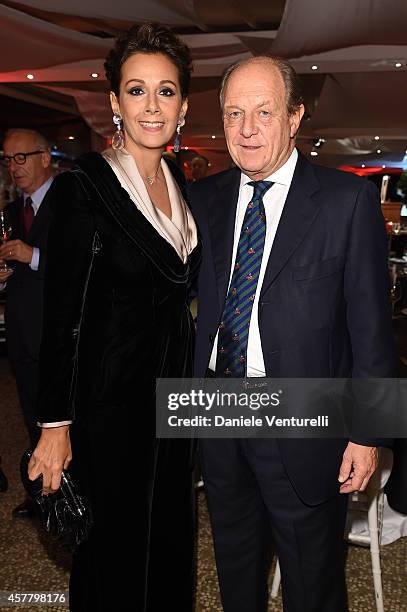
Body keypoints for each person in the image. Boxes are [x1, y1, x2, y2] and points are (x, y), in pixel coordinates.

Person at [190, 56, 394, 612]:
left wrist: (369, 432)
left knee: (312, 579)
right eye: (234, 113)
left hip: (305, 416)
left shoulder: (343, 201)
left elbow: (371, 329)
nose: (248, 128)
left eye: (264, 111)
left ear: (295, 116)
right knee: (234, 568)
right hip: (216, 409)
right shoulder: (202, 201)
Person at [27, 24, 200, 611]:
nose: (152, 106)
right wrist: (55, 425)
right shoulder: (86, 188)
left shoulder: (178, 182)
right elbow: (62, 315)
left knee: (170, 543)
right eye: (136, 90)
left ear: (183, 105)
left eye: (166, 91)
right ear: (114, 103)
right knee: (114, 556)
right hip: (110, 410)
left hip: (173, 406)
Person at [0, 129, 53, 518]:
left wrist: (32, 254)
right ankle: (41, 492)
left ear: (45, 158)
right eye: (8, 160)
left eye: (22, 158)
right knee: (32, 414)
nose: (14, 167)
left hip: (57, 334)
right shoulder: (13, 211)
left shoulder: (71, 204)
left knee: (64, 418)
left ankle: (72, 490)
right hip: (22, 334)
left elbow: (84, 266)